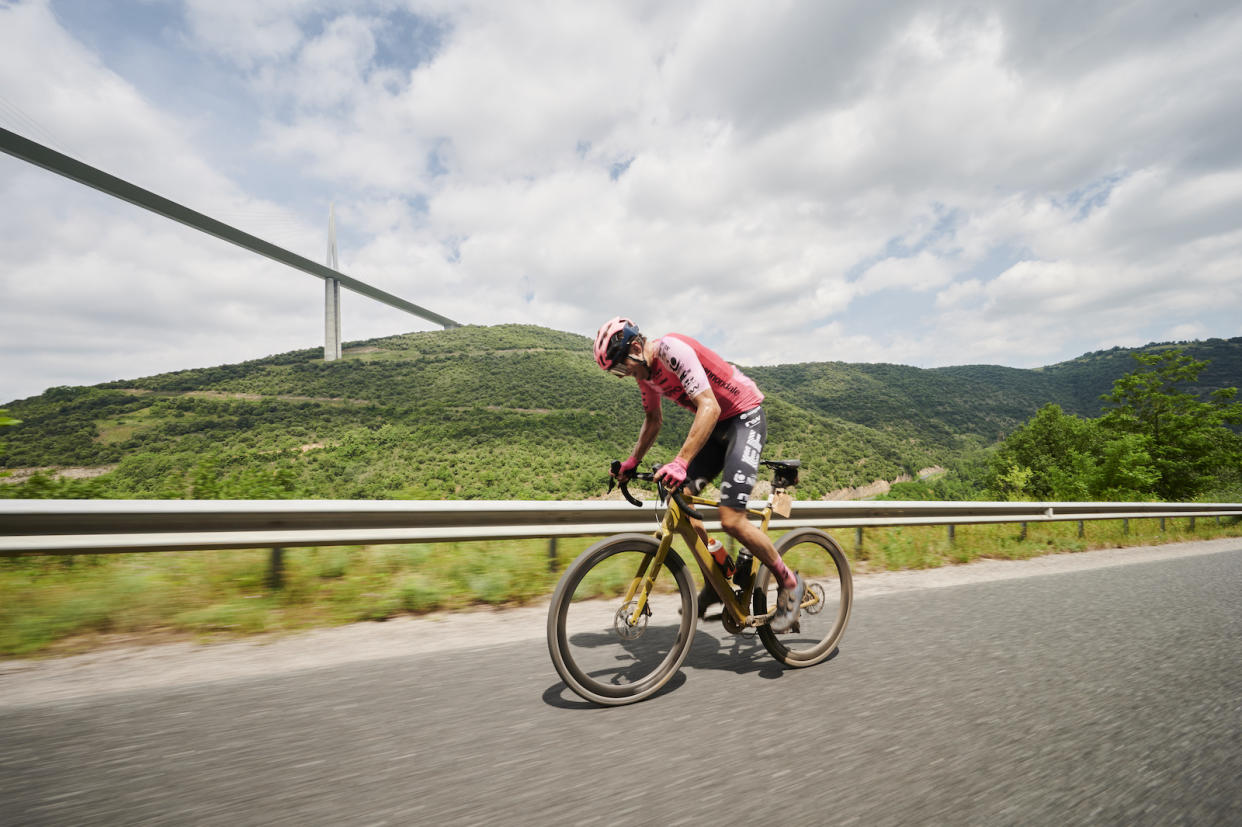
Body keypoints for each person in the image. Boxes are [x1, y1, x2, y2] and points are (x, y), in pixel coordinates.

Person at [592, 316, 805, 633]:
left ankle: (790, 584)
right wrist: (632, 462)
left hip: (743, 418)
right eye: (617, 372)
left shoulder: (671, 350)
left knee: (731, 519)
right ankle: (715, 580)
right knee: (685, 509)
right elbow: (652, 420)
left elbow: (709, 406)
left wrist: (680, 462)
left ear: (635, 347)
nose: (624, 375)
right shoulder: (645, 374)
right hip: (716, 427)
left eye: (622, 367)